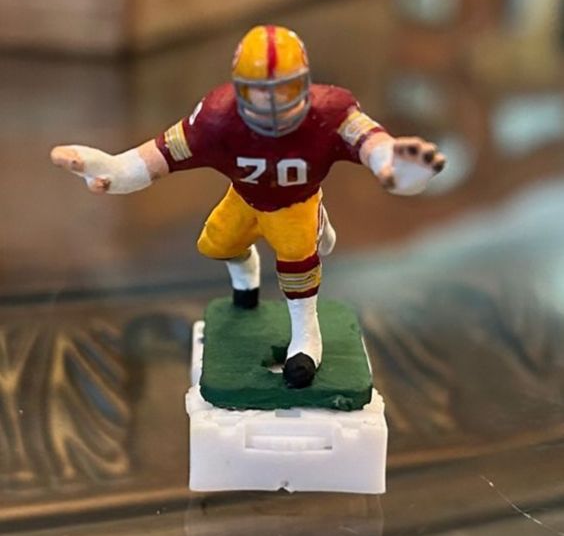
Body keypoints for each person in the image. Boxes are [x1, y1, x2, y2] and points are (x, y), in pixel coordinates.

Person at [51, 25, 445, 388]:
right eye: (260, 91)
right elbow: (161, 155)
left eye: (284, 90)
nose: (271, 102)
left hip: (295, 204)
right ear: (239, 89)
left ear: (304, 84)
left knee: (296, 261)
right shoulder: (217, 117)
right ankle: (248, 277)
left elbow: (371, 142)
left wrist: (391, 164)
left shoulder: (330, 111)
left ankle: (307, 337)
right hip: (245, 197)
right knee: (216, 244)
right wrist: (114, 170)